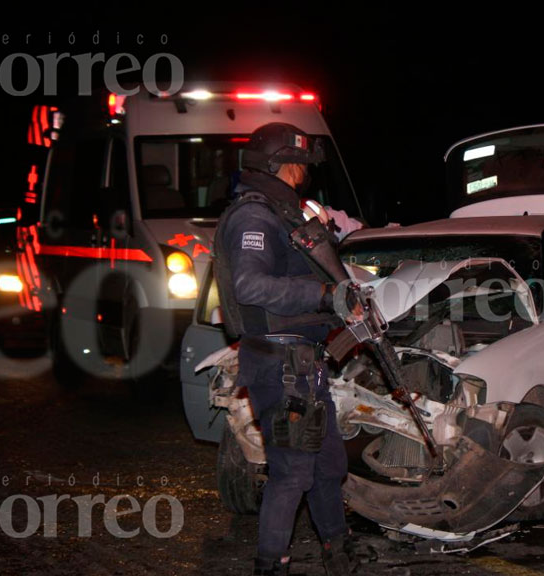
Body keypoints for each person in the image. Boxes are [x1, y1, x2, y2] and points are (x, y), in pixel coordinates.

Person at [212, 122, 361, 575]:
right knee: (294, 470)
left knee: (326, 464)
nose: (306, 173)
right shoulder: (254, 216)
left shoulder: (282, 212)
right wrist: (320, 296)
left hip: (301, 362)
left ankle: (338, 552)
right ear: (284, 164)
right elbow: (250, 285)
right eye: (301, 164)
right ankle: (270, 564)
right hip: (279, 362)